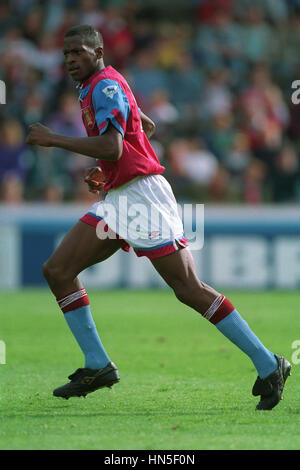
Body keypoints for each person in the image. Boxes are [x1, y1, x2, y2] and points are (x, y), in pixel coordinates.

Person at [26, 24, 291, 410]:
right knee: (58, 270)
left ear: (98, 52)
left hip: (142, 199)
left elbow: (114, 146)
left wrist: (54, 139)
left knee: (188, 289)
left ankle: (269, 364)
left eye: (78, 52)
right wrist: (111, 165)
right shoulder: (95, 85)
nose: (69, 60)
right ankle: (97, 364)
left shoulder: (103, 85)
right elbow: (133, 133)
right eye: (66, 54)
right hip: (120, 198)